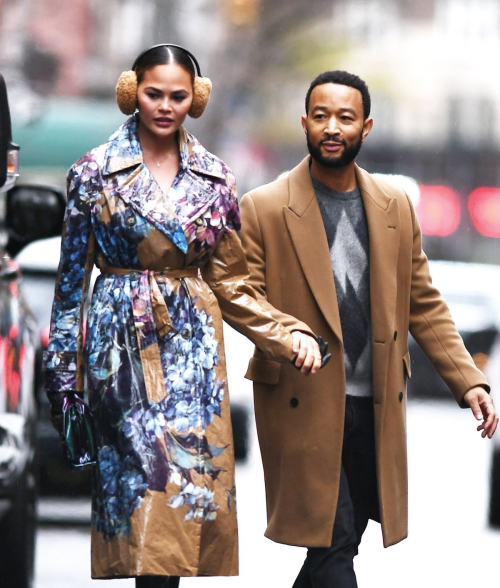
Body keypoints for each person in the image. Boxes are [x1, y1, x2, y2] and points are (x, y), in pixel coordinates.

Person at [43, 44, 324, 587]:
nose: (165, 106)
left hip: (192, 357)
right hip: (120, 354)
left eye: (177, 95)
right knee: (145, 503)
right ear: (132, 91)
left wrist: (285, 333)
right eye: (153, 94)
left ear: (195, 98)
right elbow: (71, 283)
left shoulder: (215, 177)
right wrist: (63, 374)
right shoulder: (93, 173)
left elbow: (231, 279)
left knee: (180, 500)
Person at [238, 70, 499, 588]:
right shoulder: (264, 207)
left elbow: (421, 302)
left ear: (366, 126)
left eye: (345, 117)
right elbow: (242, 295)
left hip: (375, 404)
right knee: (332, 542)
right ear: (305, 124)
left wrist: (468, 380)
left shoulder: (394, 206)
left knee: (338, 547)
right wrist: (286, 336)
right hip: (302, 398)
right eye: (320, 116)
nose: (332, 127)